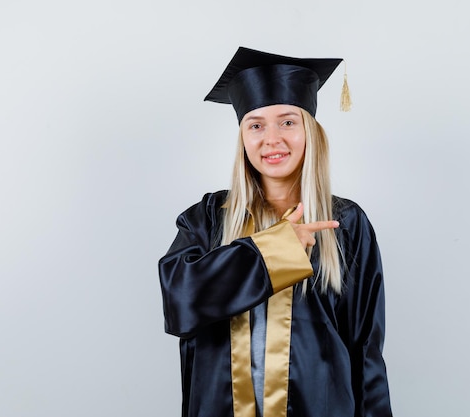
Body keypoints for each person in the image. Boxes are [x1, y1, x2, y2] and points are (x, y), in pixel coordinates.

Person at [158, 47, 392, 417]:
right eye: (256, 125)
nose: (272, 139)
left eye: (287, 122)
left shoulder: (345, 223)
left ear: (310, 132)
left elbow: (365, 349)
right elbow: (181, 301)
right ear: (243, 138)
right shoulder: (207, 218)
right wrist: (276, 250)